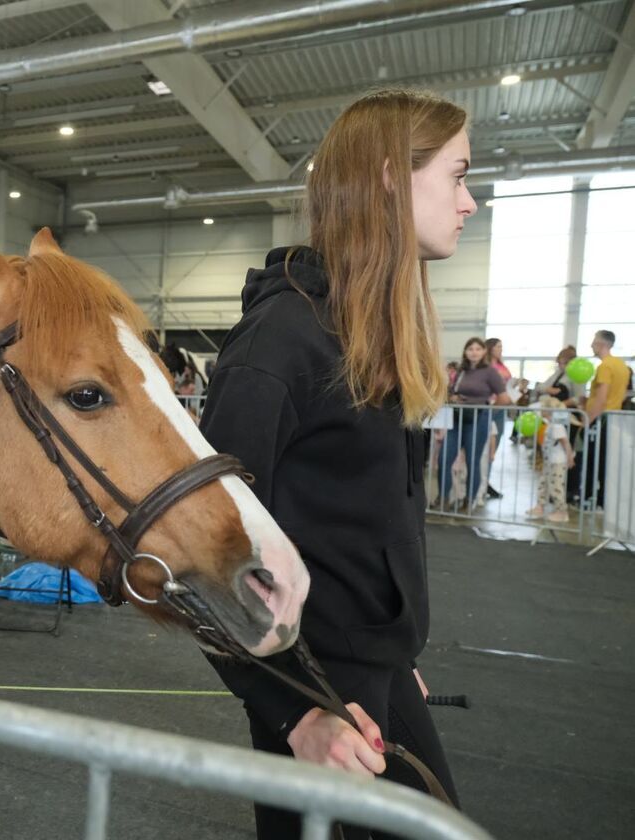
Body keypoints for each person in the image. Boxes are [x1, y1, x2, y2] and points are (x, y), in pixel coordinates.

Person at [198, 89, 472, 838]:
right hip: (313, 690)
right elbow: (198, 555)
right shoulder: (280, 343)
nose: (469, 201)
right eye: (457, 175)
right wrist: (294, 714)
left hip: (373, 669)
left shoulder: (367, 332)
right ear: (390, 178)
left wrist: (389, 652)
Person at [441, 337, 511, 510]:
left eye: (477, 349)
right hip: (457, 419)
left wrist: (488, 412)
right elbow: (450, 392)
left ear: (484, 352)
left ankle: (469, 499)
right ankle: (442, 497)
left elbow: (504, 398)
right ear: (465, 352)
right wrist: (453, 397)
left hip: (478, 421)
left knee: (473, 461)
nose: (474, 352)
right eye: (470, 348)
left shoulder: (490, 372)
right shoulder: (461, 371)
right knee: (445, 458)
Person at [579, 330, 632, 509]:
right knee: (605, 462)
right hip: (614, 419)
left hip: (601, 419)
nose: (591, 346)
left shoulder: (605, 366)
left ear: (602, 344)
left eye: (594, 342)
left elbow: (601, 398)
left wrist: (588, 420)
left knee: (592, 461)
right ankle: (603, 499)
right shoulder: (622, 366)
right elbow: (621, 394)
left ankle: (588, 500)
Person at [526, 397, 575, 523]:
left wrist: (569, 457)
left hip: (557, 462)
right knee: (543, 483)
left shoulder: (557, 426)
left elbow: (565, 443)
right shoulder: (550, 425)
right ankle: (540, 506)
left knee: (556, 486)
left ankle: (561, 511)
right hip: (549, 461)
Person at [482, 337, 513, 499]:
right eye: (498, 346)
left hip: (502, 408)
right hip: (491, 406)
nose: (501, 349)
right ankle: (482, 481)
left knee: (494, 446)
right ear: (490, 348)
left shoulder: (502, 365)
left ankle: (486, 480)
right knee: (487, 445)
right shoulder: (486, 366)